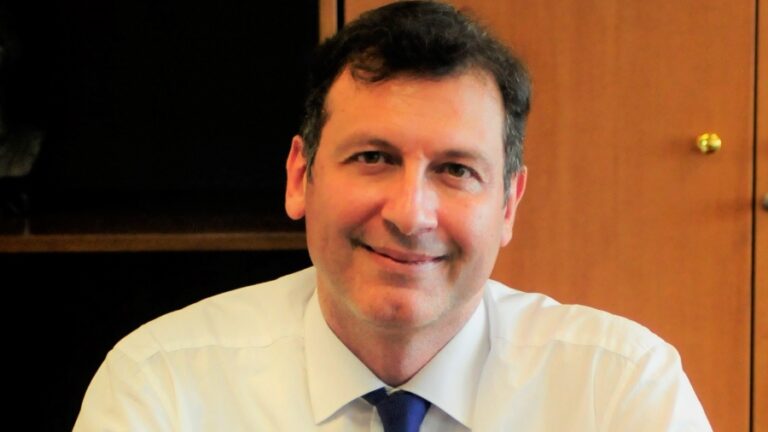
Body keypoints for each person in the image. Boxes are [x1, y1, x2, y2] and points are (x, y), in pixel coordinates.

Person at [74, 1, 711, 430]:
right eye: (373, 158)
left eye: (455, 169)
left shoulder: (619, 392)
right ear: (300, 178)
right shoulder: (163, 389)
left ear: (508, 204)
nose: (411, 214)